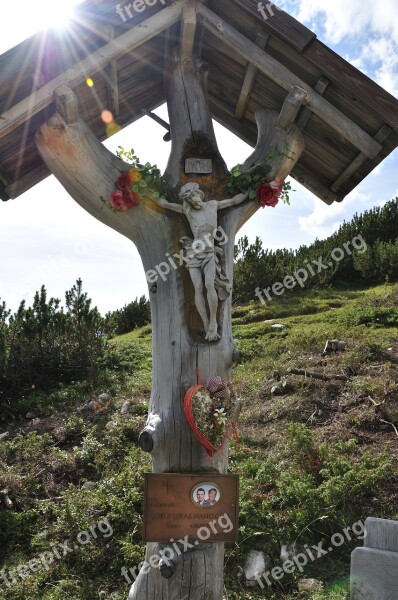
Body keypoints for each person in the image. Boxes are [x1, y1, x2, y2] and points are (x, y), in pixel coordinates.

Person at [153, 183, 248, 341]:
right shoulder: (187, 211)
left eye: (194, 197)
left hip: (209, 252)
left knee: (209, 285)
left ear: (199, 194)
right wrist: (148, 195)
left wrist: (250, 190)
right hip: (193, 254)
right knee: (197, 287)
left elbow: (233, 201)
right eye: (189, 200)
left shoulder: (212, 205)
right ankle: (205, 325)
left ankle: (213, 323)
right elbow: (165, 204)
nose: (193, 201)